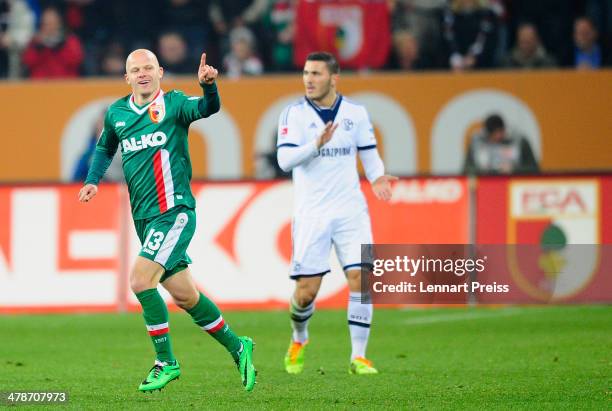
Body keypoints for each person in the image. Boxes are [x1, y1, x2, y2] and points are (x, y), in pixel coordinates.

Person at [78, 49, 256, 393]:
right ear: (126, 77)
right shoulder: (116, 113)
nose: (142, 73)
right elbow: (104, 149)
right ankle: (239, 347)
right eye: (135, 69)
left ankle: (166, 362)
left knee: (141, 281)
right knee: (186, 296)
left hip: (174, 213)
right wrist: (92, 180)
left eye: (148, 68)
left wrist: (209, 87)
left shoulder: (174, 104)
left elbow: (207, 108)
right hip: (144, 219)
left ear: (160, 72)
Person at [276, 51, 396, 375]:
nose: (309, 80)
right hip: (312, 213)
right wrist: (316, 143)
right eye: (305, 73)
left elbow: (369, 154)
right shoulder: (293, 115)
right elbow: (284, 161)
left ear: (334, 77)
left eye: (316, 73)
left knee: (361, 277)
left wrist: (377, 178)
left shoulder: (356, 113)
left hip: (351, 210)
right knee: (306, 293)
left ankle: (359, 356)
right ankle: (299, 337)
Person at [463, 113, 539, 175]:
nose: (497, 137)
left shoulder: (519, 142)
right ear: (486, 133)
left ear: (504, 129)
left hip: (514, 185)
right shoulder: (477, 143)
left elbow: (534, 169)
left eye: (499, 132)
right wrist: (483, 170)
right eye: (493, 135)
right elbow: (466, 169)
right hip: (485, 185)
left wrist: (514, 169)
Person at [22, 6, 84, 78]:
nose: (49, 27)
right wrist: (38, 48)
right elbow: (27, 62)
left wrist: (61, 46)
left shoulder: (69, 39)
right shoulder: (35, 41)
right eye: (46, 24)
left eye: (52, 23)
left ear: (59, 23)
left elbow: (76, 60)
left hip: (65, 84)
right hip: (40, 85)